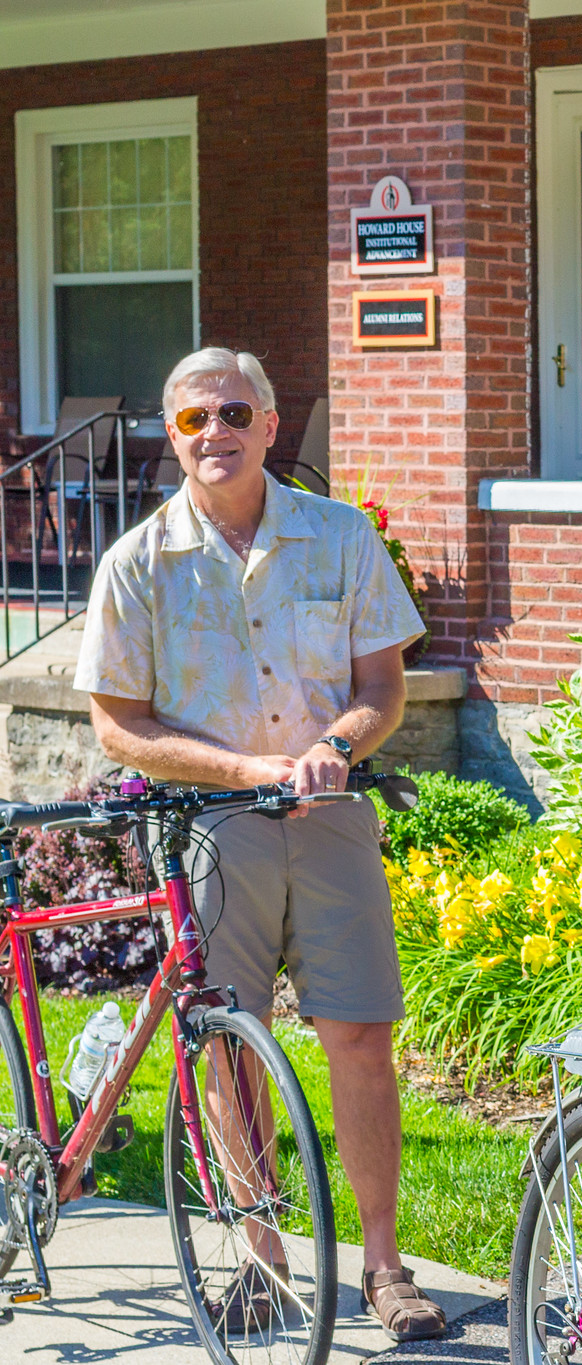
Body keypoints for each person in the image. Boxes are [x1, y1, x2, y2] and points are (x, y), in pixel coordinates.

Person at [74, 348, 445, 1342]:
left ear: (272, 425)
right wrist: (247, 773)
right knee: (229, 1049)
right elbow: (118, 724)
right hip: (216, 828)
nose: (214, 433)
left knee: (360, 1034)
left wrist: (328, 749)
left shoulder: (340, 537)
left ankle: (382, 1267)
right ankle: (261, 1257)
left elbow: (382, 689)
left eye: (233, 412)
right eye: (192, 420)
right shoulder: (137, 563)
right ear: (171, 435)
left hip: (331, 818)